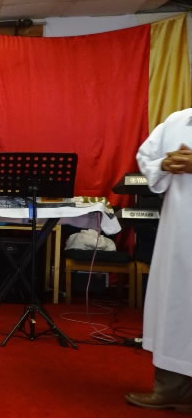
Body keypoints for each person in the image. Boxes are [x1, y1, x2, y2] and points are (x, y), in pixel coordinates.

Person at [127, 107, 192, 413]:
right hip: (179, 230)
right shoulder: (178, 120)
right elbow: (146, 156)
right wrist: (164, 164)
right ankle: (172, 388)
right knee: (176, 305)